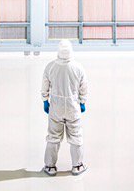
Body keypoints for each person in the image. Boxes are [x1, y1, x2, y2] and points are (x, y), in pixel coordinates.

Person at [41, 39, 88, 176]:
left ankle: (50, 166)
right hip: (73, 106)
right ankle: (77, 166)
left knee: (53, 136)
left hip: (56, 107)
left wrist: (45, 100)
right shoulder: (78, 67)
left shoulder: (51, 67)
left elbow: (45, 85)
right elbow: (83, 87)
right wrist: (82, 102)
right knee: (76, 136)